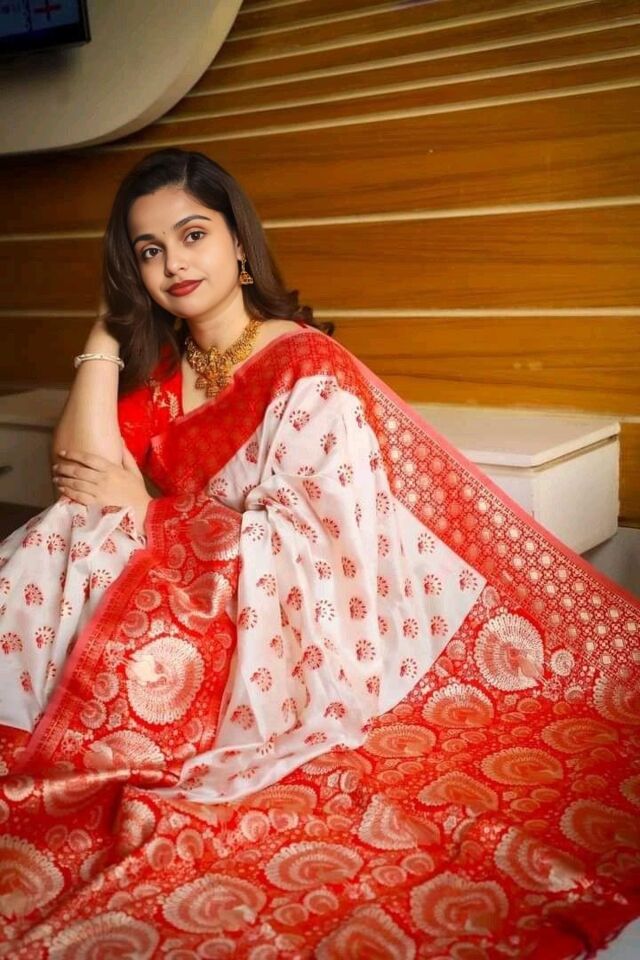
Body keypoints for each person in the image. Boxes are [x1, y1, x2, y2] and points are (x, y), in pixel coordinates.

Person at [0, 148, 638, 960]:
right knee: (70, 528)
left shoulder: (303, 364)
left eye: (192, 235)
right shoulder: (162, 369)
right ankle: (51, 732)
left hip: (283, 623)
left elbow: (320, 544)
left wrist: (155, 517)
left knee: (91, 541)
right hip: (194, 594)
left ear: (238, 242)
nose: (173, 264)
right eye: (148, 251)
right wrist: (104, 326)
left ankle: (61, 731)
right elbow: (80, 474)